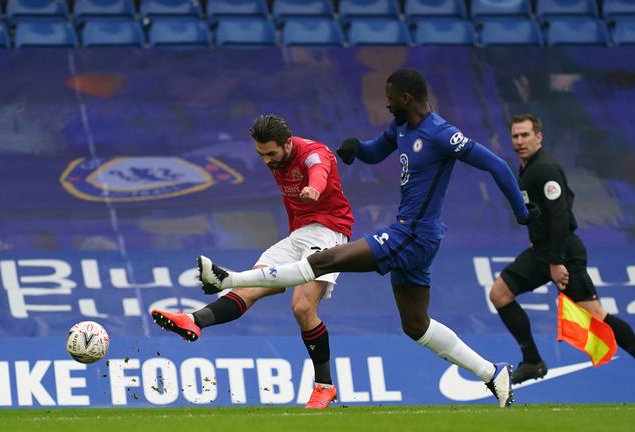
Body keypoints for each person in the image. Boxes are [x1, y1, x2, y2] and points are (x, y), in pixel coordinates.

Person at [196, 68, 541, 408]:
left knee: (322, 260)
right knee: (416, 326)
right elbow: (377, 151)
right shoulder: (402, 127)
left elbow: (495, 164)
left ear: (405, 97)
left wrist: (522, 212)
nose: (386, 103)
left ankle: (231, 278)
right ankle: (492, 373)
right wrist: (355, 148)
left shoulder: (441, 134)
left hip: (413, 234)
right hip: (415, 237)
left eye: (389, 97)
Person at [151, 114, 354, 409]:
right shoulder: (275, 157)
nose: (267, 161)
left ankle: (324, 386)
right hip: (298, 235)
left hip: (328, 231)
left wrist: (314, 188)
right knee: (250, 288)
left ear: (287, 143)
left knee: (302, 306)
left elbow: (319, 170)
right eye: (261, 155)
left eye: (271, 154)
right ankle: (193, 321)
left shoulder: (313, 154)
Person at [488, 113, 635, 402]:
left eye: (525, 135)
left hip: (563, 254)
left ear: (539, 137)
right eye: (515, 136)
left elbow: (561, 215)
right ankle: (532, 361)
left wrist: (557, 261)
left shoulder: (545, 169)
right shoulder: (526, 169)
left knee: (596, 315)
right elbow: (553, 207)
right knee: (500, 294)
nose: (520, 141)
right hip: (542, 252)